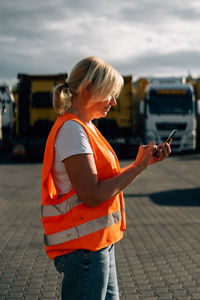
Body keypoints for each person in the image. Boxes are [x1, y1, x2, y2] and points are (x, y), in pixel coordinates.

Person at [41, 56, 171, 300]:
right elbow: (92, 194)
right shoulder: (73, 130)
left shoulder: (85, 126)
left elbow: (102, 184)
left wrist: (140, 164)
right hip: (85, 250)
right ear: (89, 89)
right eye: (110, 93)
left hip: (97, 245)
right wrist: (137, 168)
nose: (113, 101)